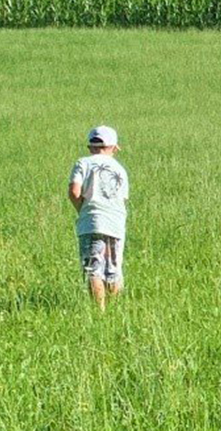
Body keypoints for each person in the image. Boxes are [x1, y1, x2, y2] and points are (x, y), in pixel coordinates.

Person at [68, 126, 130, 311]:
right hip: (116, 223)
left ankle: (99, 312)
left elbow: (73, 191)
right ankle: (116, 311)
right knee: (113, 269)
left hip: (92, 222)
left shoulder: (83, 163)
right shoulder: (120, 169)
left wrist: (83, 209)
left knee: (93, 269)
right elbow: (123, 199)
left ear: (90, 146)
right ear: (114, 147)